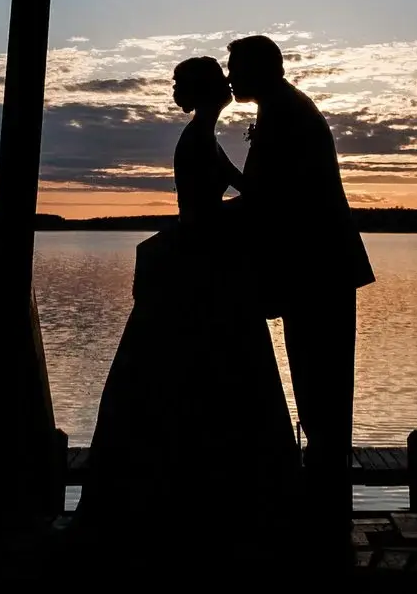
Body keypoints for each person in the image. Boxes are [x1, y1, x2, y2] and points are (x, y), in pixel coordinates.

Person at [73, 56, 298, 532]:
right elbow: (204, 215)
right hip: (201, 272)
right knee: (206, 371)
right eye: (218, 80)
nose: (227, 84)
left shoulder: (205, 138)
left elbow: (246, 194)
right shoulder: (197, 139)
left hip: (203, 264)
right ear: (206, 91)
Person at [225, 32, 375, 529]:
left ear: (262, 68)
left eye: (236, 67)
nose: (230, 77)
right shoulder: (285, 109)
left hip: (317, 269)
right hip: (318, 267)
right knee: (320, 385)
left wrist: (215, 215)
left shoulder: (286, 116)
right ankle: (327, 502)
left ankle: (327, 510)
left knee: (320, 382)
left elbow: (274, 198)